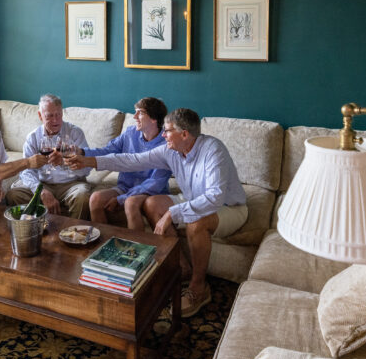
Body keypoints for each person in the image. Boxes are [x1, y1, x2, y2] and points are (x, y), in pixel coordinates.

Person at [67, 108, 247, 317]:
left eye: (167, 131)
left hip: (228, 208)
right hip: (192, 199)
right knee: (152, 204)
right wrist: (88, 160)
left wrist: (172, 214)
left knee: (195, 223)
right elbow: (131, 160)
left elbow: (214, 197)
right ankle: (180, 268)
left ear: (184, 134)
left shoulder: (213, 150)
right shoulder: (170, 150)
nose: (163, 135)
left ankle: (199, 287)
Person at [83, 97, 171, 230]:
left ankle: (135, 249)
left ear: (154, 118)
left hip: (151, 192)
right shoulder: (130, 133)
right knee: (95, 198)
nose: (134, 116)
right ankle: (103, 245)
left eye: (140, 113)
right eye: (135, 112)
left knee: (130, 203)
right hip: (125, 187)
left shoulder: (167, 144)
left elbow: (155, 184)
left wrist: (121, 199)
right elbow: (107, 151)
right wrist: (82, 153)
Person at [6, 94, 92, 218]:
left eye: (58, 114)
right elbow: (26, 171)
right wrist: (40, 191)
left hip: (71, 183)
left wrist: (64, 162)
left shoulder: (75, 133)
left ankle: (73, 233)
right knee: (13, 195)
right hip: (43, 183)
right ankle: (38, 226)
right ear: (40, 116)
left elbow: (87, 168)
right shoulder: (33, 137)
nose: (55, 120)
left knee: (83, 196)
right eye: (50, 116)